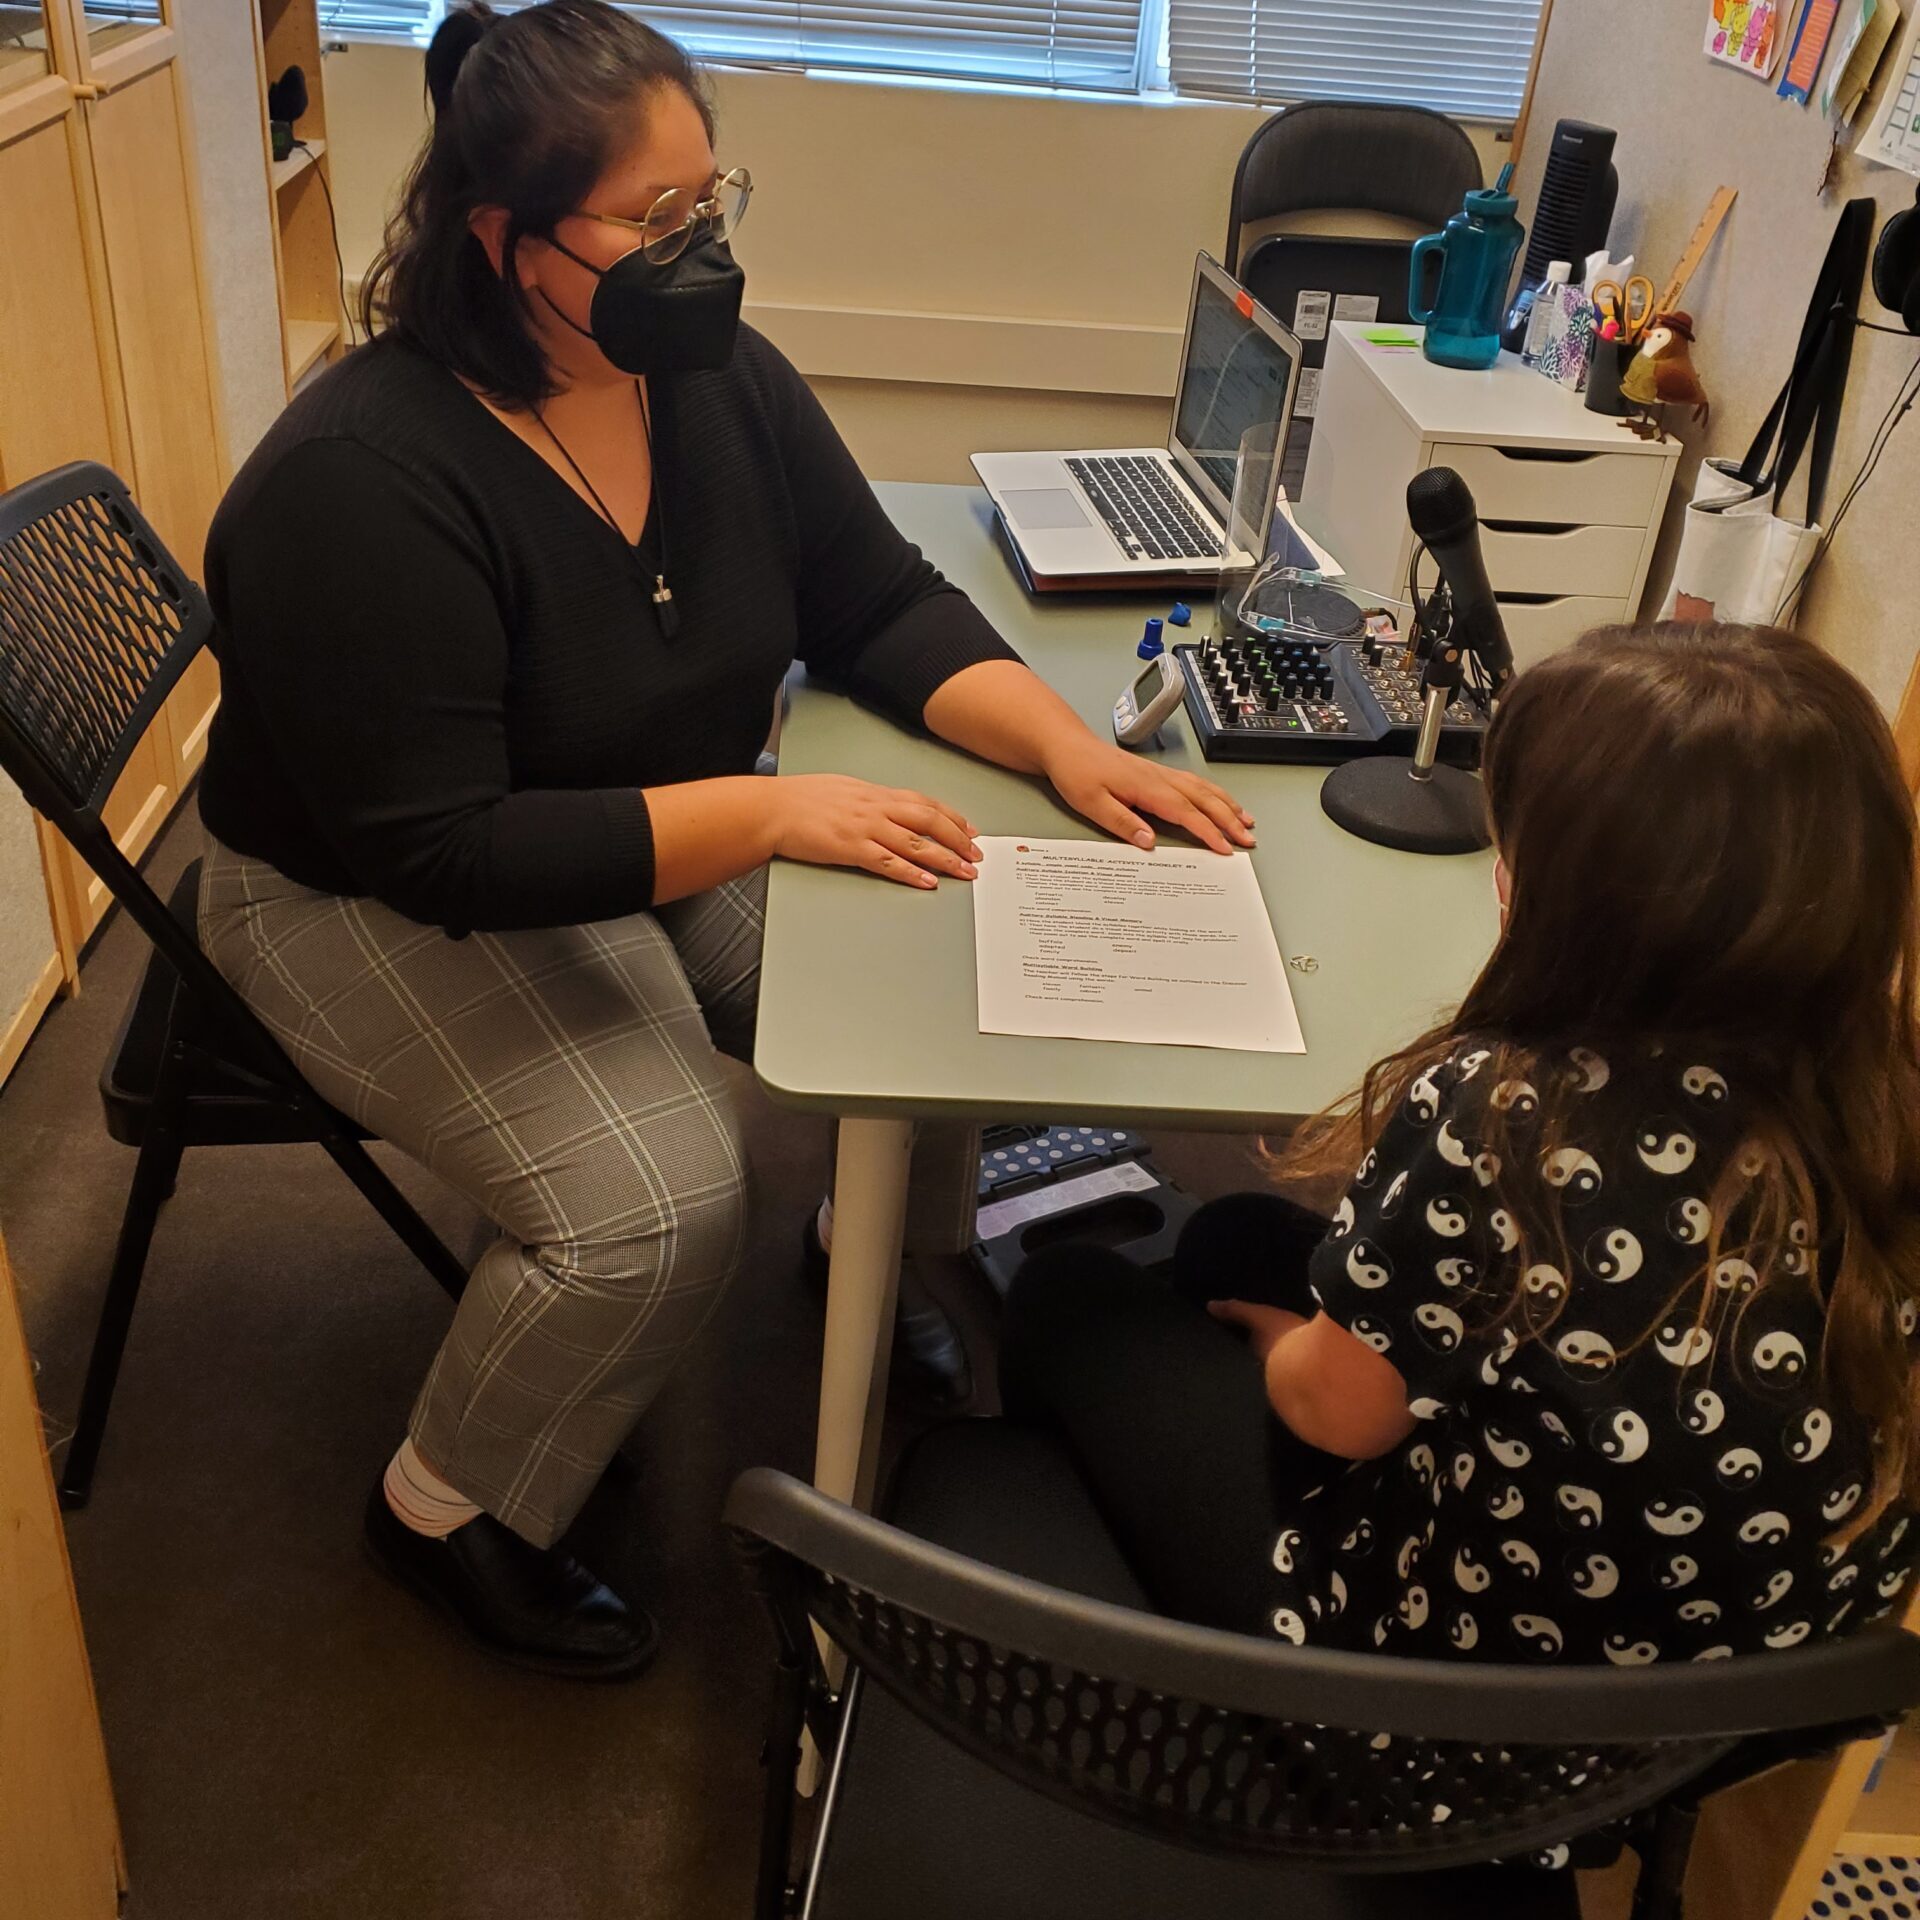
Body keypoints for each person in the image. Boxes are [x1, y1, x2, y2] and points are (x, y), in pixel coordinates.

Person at [194, 0, 1253, 1680]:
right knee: (667, 1196)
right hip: (361, 891)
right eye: (653, 220)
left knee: (932, 946)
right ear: (504, 238)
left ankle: (870, 1246)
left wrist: (1064, 751)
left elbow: (877, 601)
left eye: (713, 204)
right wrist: (768, 811)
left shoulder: (708, 381)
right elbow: (448, 854)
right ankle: (442, 1506)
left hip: (627, 826)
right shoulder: (365, 486)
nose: (701, 251)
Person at [1002, 622, 1920, 1663]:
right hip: (1739, 1684)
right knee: (1232, 1240)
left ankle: (1129, 1661)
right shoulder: (1879, 1091)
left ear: (1579, 904)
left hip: (1463, 1705)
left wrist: (1288, 1357)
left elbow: (1340, 1419)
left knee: (1068, 1293)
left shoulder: (1508, 1113)